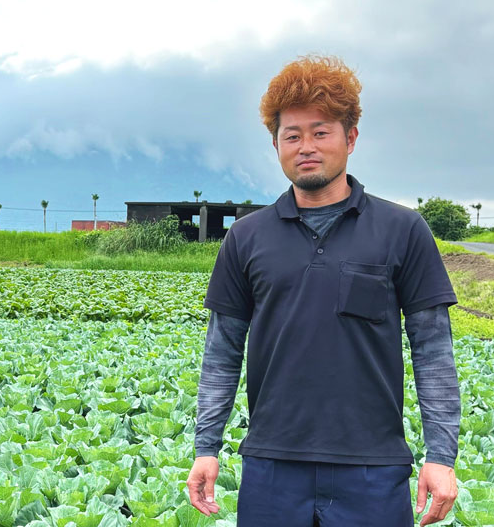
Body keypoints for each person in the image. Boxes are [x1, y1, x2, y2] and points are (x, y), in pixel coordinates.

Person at [186, 55, 461, 526]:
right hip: (272, 464)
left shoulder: (402, 230)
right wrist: (206, 447)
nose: (306, 146)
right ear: (276, 144)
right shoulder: (247, 238)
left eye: (321, 132)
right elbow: (222, 351)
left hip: (373, 467)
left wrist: (441, 454)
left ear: (350, 138)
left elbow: (432, 349)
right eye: (292, 135)